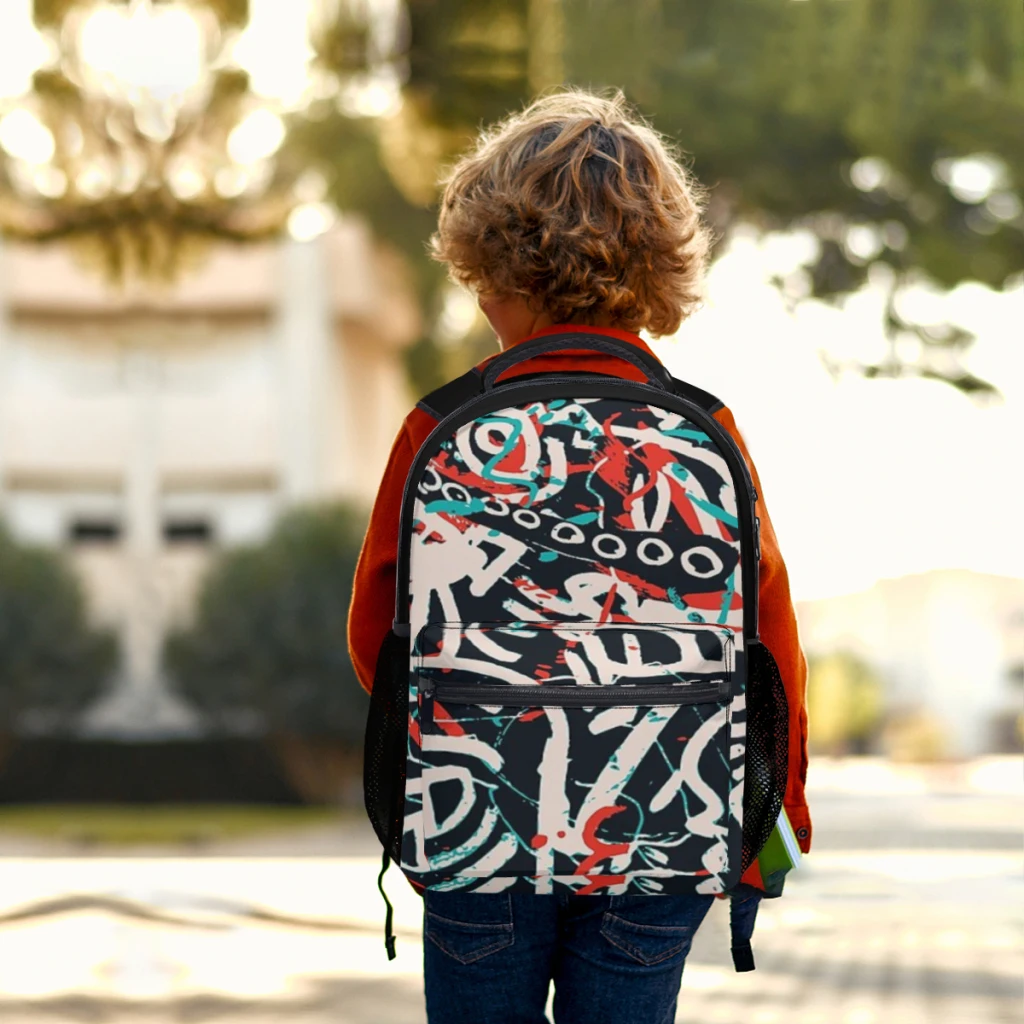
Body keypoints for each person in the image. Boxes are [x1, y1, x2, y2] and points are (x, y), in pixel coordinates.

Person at [348, 89, 810, 1024]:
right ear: (659, 269)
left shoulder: (440, 427)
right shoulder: (705, 430)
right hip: (663, 831)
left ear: (492, 269)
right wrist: (775, 812)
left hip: (477, 823)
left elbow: (376, 637)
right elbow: (768, 642)